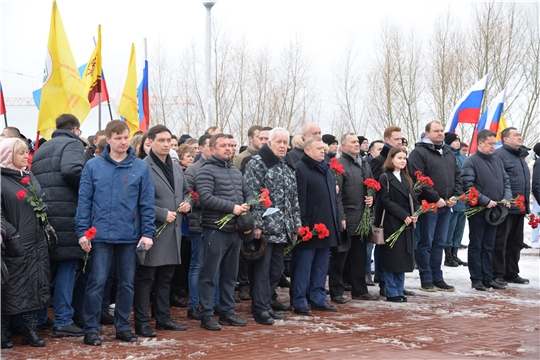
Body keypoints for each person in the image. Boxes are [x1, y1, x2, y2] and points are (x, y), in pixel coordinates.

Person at [76, 120, 155, 346]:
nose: (123, 142)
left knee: (127, 283)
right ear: (107, 139)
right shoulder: (93, 166)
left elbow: (146, 204)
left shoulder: (140, 167)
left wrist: (147, 233)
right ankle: (91, 330)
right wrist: (82, 232)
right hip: (99, 236)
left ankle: (122, 327)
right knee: (97, 282)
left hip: (129, 236)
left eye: (126, 137)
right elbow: (84, 202)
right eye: (118, 137)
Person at [31, 114, 87, 338]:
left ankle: (41, 317)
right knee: (67, 266)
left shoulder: (42, 148)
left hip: (45, 215)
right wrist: (89, 187)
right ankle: (63, 319)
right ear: (75, 129)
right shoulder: (73, 144)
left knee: (48, 268)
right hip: (67, 214)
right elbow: (72, 170)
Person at [133, 125, 191, 337]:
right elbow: (137, 200)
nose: (166, 144)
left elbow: (187, 193)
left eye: (168, 140)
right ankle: (141, 322)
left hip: (173, 231)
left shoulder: (176, 167)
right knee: (146, 279)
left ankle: (163, 318)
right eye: (161, 141)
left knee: (166, 278)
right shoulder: (142, 166)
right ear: (150, 142)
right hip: (154, 230)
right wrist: (161, 213)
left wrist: (187, 204)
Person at [244, 128, 301, 325]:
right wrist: (257, 223)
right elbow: (253, 195)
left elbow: (293, 199)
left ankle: (267, 303)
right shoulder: (257, 164)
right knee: (262, 270)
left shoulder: (287, 166)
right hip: (266, 228)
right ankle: (260, 308)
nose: (283, 146)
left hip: (282, 228)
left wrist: (295, 226)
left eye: (286, 142)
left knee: (276, 271)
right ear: (269, 143)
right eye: (279, 142)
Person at [196, 133, 254, 331]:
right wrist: (233, 208)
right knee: (210, 274)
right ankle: (206, 314)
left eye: (231, 145)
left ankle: (227, 311)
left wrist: (248, 203)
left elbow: (247, 191)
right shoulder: (206, 171)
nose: (229, 149)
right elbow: (205, 198)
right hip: (215, 229)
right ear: (212, 149)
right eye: (224, 145)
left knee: (230, 274)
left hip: (234, 230)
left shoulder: (236, 171)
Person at [1, 138, 51, 348]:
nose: (25, 156)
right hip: (15, 245)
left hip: (36, 243)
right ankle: (3, 332)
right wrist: (13, 236)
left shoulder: (29, 176)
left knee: (35, 285)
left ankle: (30, 331)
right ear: (8, 156)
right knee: (9, 289)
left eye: (26, 152)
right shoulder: (2, 180)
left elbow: (37, 200)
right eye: (21, 153)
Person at [408, 121, 462, 292]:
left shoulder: (448, 152)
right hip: (429, 206)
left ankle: (438, 277)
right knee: (427, 242)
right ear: (427, 133)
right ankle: (426, 278)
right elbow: (418, 179)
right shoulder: (419, 152)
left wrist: (456, 195)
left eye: (442, 131)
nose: (440, 134)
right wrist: (435, 198)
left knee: (440, 242)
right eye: (436, 131)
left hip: (446, 205)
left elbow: (457, 176)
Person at [292, 136, 342, 316]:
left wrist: (336, 221)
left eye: (324, 148)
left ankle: (318, 298)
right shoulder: (301, 169)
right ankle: (299, 300)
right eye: (319, 148)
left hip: (327, 226)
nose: (323, 151)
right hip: (310, 228)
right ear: (307, 150)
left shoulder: (327, 169)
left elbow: (333, 200)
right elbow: (300, 200)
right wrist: (303, 225)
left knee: (322, 266)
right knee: (304, 267)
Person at [461, 130, 511, 291]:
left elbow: (505, 180)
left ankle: (487, 277)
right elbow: (468, 186)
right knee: (477, 245)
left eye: (494, 144)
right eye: (490, 144)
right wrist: (485, 200)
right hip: (478, 210)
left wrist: (506, 198)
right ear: (480, 143)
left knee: (489, 245)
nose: (493, 147)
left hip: (495, 210)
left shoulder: (496, 160)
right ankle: (476, 278)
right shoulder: (471, 162)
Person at [330, 133, 378, 303]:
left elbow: (372, 185)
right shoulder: (339, 165)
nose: (357, 144)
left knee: (359, 257)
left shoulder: (364, 163)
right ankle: (336, 290)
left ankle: (359, 289)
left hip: (362, 218)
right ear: (343, 146)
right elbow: (337, 195)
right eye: (353, 142)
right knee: (340, 257)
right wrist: (341, 217)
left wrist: (371, 197)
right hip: (347, 217)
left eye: (357, 142)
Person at [374, 147, 418, 302]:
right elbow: (385, 201)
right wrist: (403, 215)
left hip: (406, 222)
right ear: (391, 159)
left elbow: (413, 198)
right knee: (392, 257)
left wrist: (415, 214)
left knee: (402, 258)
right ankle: (391, 291)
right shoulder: (385, 177)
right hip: (392, 221)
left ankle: (399, 289)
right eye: (399, 158)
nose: (402, 161)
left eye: (404, 158)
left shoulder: (407, 177)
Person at [492, 127, 531, 285]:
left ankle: (511, 272)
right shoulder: (499, 155)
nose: (519, 137)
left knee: (516, 242)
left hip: (519, 207)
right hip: (506, 206)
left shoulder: (521, 156)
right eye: (515, 135)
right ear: (505, 139)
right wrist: (504, 199)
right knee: (501, 242)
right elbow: (498, 179)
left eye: (520, 134)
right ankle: (497, 273)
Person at [443, 132, 468, 267]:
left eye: (458, 141)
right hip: (452, 197)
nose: (457, 143)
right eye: (454, 141)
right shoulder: (447, 155)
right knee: (450, 228)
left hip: (463, 197)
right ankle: (448, 255)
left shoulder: (464, 157)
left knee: (459, 228)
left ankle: (455, 253)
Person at [531, 143, 540, 247]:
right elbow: (535, 182)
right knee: (536, 217)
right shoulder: (536, 162)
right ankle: (534, 240)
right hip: (537, 195)